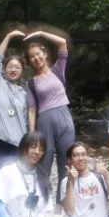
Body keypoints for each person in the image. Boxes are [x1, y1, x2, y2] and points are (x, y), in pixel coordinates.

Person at [24, 30, 74, 197]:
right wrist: (32, 133)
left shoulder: (58, 70)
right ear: (30, 61)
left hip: (64, 117)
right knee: (44, 163)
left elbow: (62, 43)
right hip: (44, 121)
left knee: (65, 163)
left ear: (44, 54)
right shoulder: (31, 83)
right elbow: (31, 108)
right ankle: (42, 202)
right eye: (32, 57)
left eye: (38, 54)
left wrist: (40, 33)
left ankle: (60, 207)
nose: (36, 58)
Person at [0, 29, 29, 171]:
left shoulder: (24, 94)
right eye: (10, 66)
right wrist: (8, 37)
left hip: (17, 143)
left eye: (17, 67)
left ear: (22, 70)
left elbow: (25, 120)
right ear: (4, 69)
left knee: (15, 179)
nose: (13, 69)